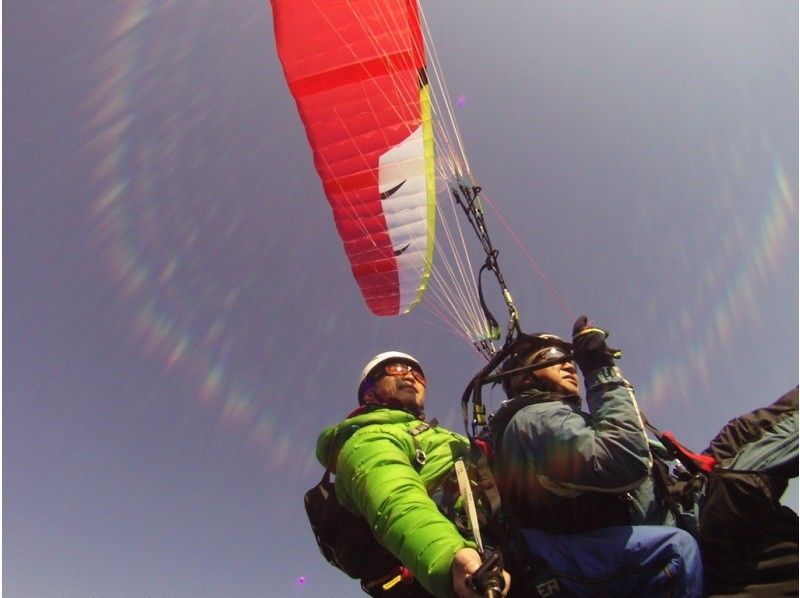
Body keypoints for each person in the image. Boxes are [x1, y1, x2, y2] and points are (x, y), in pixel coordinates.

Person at [491, 316, 797, 596]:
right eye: (555, 357)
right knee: (764, 433)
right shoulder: (532, 418)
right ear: (525, 377)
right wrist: (600, 369)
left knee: (743, 437)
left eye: (569, 357)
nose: (569, 365)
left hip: (682, 506)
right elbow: (621, 458)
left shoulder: (560, 420)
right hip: (683, 525)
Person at [315, 351, 511, 598]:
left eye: (417, 374)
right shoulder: (367, 439)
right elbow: (397, 499)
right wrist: (448, 556)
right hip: (477, 551)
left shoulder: (430, 433)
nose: (410, 376)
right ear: (368, 392)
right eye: (396, 369)